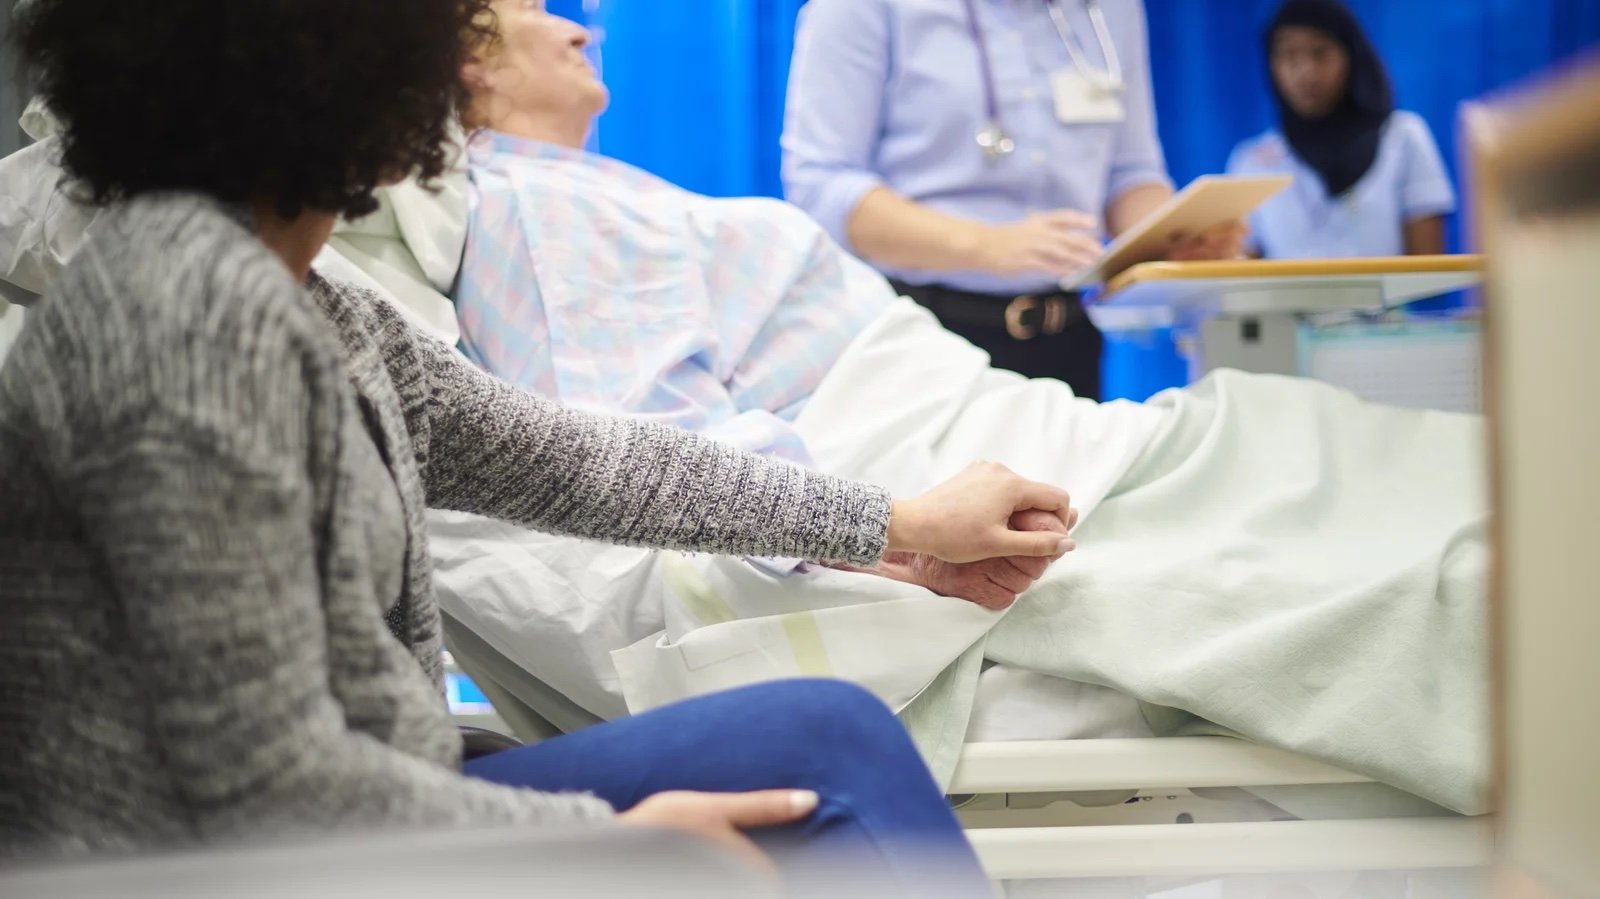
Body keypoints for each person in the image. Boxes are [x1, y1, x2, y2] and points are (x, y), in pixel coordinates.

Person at [0, 0, 1078, 889]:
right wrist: (599, 840)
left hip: (365, 796)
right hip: (211, 858)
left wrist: (899, 525)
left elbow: (580, 464)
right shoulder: (189, 324)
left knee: (821, 731)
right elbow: (261, 784)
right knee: (828, 746)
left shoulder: (310, 298)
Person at [446, 0, 1490, 820]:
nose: (579, 25)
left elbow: (1131, 170)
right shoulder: (537, 209)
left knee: (1271, 445)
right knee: (1312, 484)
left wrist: (1167, 229)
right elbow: (663, 455)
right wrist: (871, 531)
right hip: (921, 392)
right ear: (462, 63)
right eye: (535, 8)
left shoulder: (589, 191)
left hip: (990, 378)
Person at [780, 0, 1245, 400]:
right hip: (921, 331)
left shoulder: (1111, 9)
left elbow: (1130, 173)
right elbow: (820, 182)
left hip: (1065, 335)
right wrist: (982, 246)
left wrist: (1175, 237)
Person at [1225, 0, 1456, 259]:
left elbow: (1428, 267)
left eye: (1320, 52)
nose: (1306, 72)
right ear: (1271, 64)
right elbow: (1242, 269)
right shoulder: (1253, 161)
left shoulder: (1402, 137)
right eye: (1289, 54)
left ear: (1351, 56)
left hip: (1385, 289)